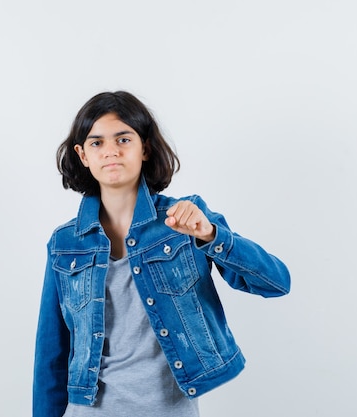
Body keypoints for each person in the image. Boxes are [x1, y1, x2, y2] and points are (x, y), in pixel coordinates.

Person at [33, 91, 290, 417]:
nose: (110, 151)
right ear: (83, 155)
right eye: (97, 143)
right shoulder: (65, 242)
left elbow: (276, 282)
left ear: (145, 148)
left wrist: (211, 235)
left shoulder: (187, 220)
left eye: (123, 139)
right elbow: (51, 354)